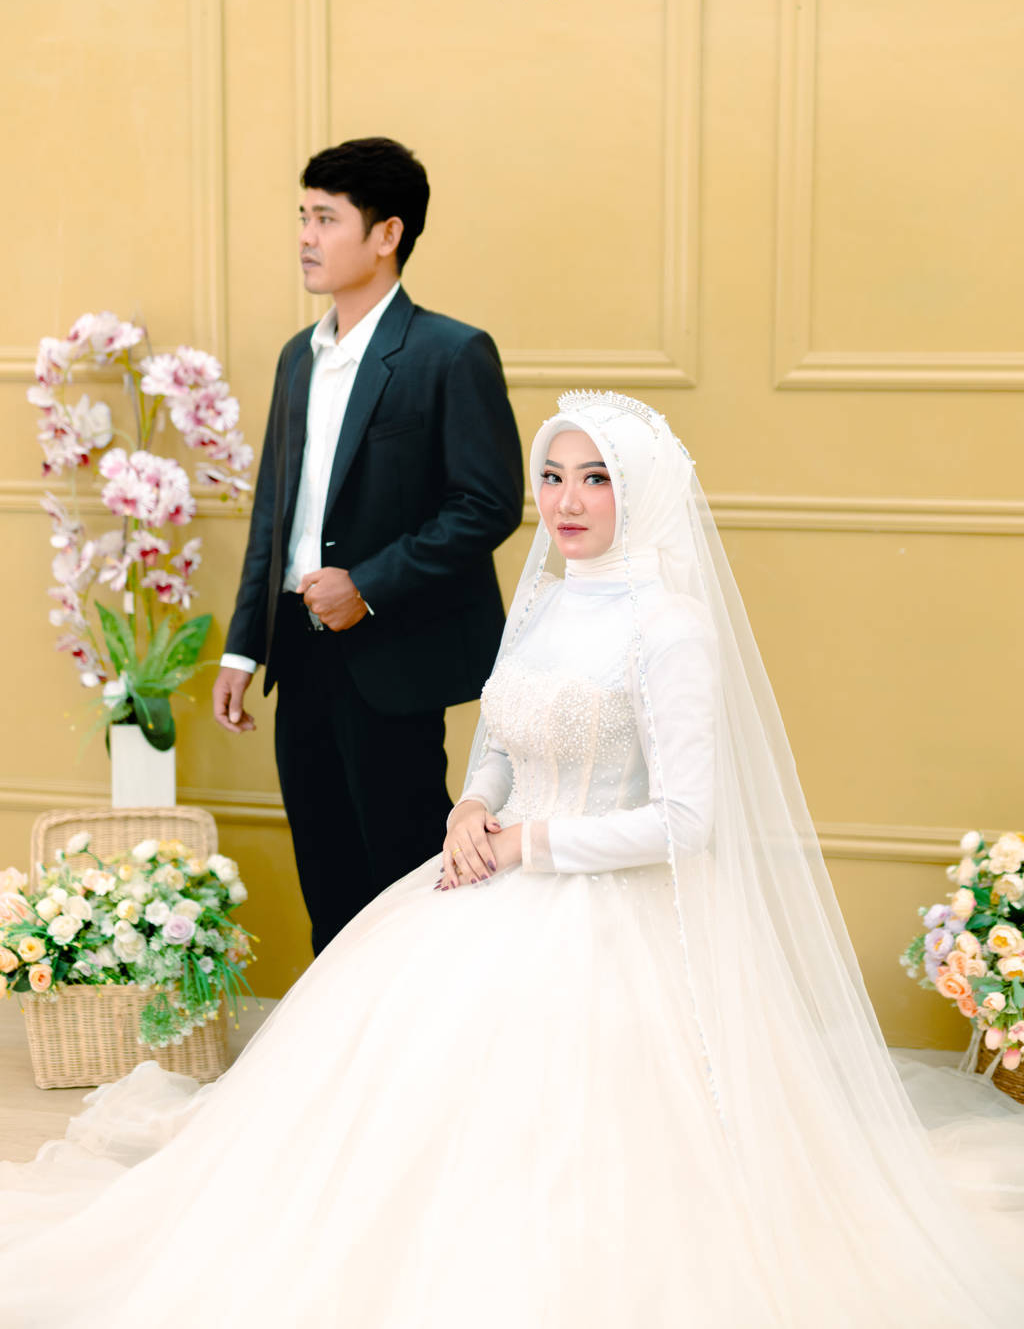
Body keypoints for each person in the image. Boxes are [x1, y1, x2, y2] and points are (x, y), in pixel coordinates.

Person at [3, 390, 1024, 1326]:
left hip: (606, 908)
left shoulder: (671, 630)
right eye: (553, 476)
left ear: (642, 491)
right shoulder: (542, 604)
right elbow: (498, 738)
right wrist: (472, 807)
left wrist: (525, 841)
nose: (567, 501)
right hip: (485, 872)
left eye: (597, 478)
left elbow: (685, 822)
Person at [212, 137, 523, 953]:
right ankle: (340, 1037)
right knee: (327, 879)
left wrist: (369, 584)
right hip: (298, 652)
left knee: (409, 879)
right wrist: (243, 647)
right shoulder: (298, 357)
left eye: (326, 218)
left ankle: (423, 1032)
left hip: (394, 657)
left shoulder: (451, 352)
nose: (305, 236)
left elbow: (488, 503)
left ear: (387, 233)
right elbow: (274, 513)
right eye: (302, 216)